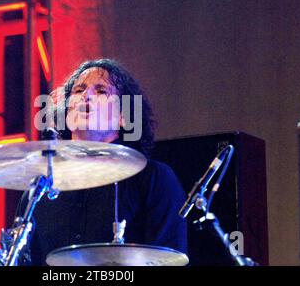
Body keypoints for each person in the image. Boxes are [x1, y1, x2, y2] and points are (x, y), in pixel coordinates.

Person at [23, 59, 187, 265]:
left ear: (123, 117)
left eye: (101, 91)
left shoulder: (154, 178)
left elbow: (169, 259)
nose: (86, 96)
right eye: (78, 90)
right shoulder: (41, 188)